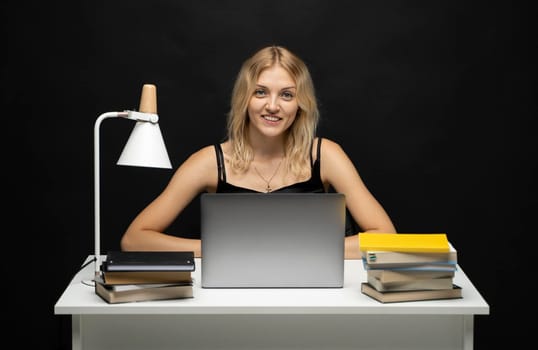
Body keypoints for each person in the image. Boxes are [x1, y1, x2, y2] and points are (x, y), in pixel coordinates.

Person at [120, 45, 396, 259]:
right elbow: (134, 239)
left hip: (313, 297)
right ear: (245, 98)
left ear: (300, 104)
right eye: (261, 92)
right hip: (233, 300)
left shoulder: (325, 155)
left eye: (286, 95)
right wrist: (218, 250)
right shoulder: (208, 161)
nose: (273, 106)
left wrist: (304, 252)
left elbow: (386, 237)